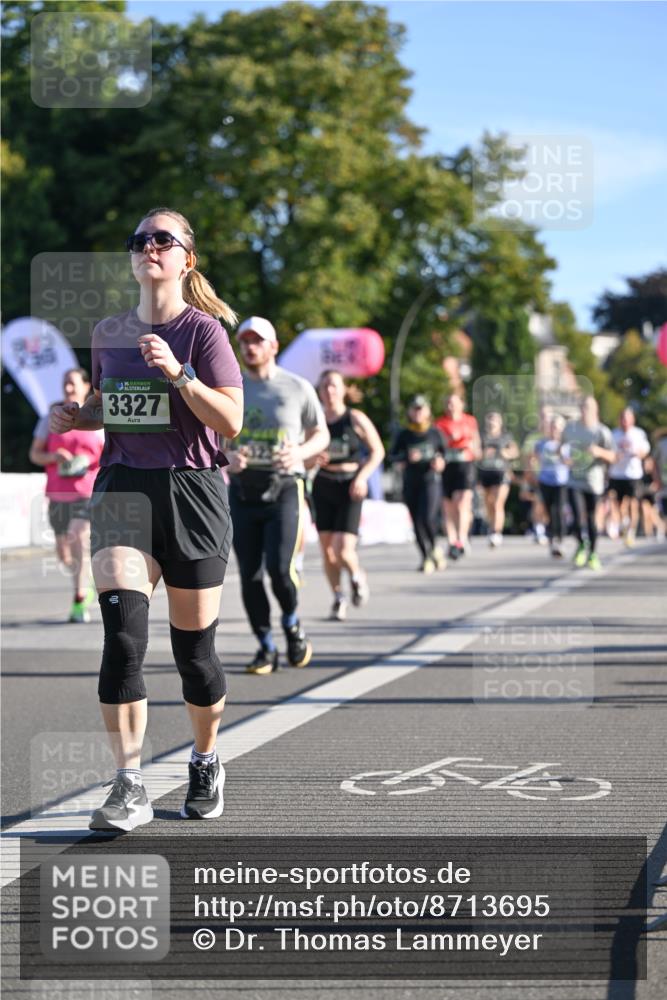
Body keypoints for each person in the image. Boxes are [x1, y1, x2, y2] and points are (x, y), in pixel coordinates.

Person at [49, 207, 244, 830]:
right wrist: (76, 417)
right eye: (139, 240)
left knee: (195, 654)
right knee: (124, 639)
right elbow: (107, 406)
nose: (148, 247)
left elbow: (231, 420)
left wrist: (179, 375)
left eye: (163, 239)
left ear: (187, 259)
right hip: (123, 489)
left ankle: (206, 759)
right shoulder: (108, 332)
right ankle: (128, 784)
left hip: (192, 492)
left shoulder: (204, 333)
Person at [226, 316, 330, 673]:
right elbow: (211, 438)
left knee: (279, 570)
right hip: (243, 489)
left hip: (285, 486)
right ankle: (266, 646)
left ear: (273, 347)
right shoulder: (232, 388)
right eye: (245, 341)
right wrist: (227, 457)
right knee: (250, 574)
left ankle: (291, 622)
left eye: (257, 341)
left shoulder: (297, 387)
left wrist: (299, 452)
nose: (250, 347)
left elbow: (321, 433)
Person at [29, 368, 104, 622]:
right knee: (64, 554)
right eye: (65, 383)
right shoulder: (49, 419)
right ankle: (85, 578)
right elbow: (34, 454)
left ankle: (79, 599)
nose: (68, 388)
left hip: (87, 492)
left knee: (78, 535)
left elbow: (112, 454)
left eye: (73, 383)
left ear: (86, 387)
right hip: (57, 495)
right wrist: (54, 456)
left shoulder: (98, 421)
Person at [311, 370, 385, 619]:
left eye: (334, 385)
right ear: (319, 392)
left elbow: (378, 451)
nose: (329, 391)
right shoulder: (316, 421)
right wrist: (313, 458)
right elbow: (305, 455)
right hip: (323, 484)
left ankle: (356, 575)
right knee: (327, 551)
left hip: (350, 486)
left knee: (342, 549)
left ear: (343, 389)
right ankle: (338, 597)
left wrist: (362, 477)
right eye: (324, 386)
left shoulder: (355, 418)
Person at [388, 395, 446, 573]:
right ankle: (425, 556)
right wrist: (406, 458)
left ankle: (434, 547)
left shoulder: (435, 433)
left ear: (428, 411)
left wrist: (440, 463)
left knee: (427, 517)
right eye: (415, 409)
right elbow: (392, 456)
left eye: (421, 409)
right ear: (409, 412)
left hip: (430, 480)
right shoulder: (404, 434)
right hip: (411, 482)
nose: (418, 413)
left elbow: (445, 455)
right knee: (416, 521)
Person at [562, 396, 616, 570]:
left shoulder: (602, 431)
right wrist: (564, 458)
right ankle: (581, 544)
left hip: (594, 482)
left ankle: (592, 553)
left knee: (592, 519)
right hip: (574, 480)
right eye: (583, 407)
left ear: (595, 410)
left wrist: (599, 452)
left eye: (588, 407)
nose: (585, 411)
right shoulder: (570, 428)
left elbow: (613, 456)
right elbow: (560, 448)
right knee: (577, 517)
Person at [435, 392, 480, 560]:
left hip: (465, 466)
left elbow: (476, 443)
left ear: (461, 405)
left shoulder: (469, 421)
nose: (450, 406)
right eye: (447, 403)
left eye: (453, 403)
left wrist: (472, 449)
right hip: (447, 467)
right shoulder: (439, 423)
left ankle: (462, 539)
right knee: (448, 506)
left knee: (462, 503)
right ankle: (451, 541)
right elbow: (437, 446)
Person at [608, 408, 650, 547]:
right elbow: (609, 453)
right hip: (617, 474)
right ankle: (623, 523)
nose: (624, 422)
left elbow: (645, 451)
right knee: (617, 503)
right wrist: (615, 457)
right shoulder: (614, 434)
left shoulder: (638, 433)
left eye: (627, 419)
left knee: (633, 503)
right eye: (622, 419)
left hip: (633, 474)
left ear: (632, 420)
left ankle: (631, 532)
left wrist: (638, 453)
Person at [477, 410, 518, 547]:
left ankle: (496, 532)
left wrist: (504, 453)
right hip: (485, 473)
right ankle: (491, 527)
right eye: (489, 420)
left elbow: (515, 452)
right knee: (488, 504)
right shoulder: (482, 437)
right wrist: (483, 454)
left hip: (501, 473)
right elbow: (475, 453)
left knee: (497, 503)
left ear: (500, 423)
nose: (492, 423)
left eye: (494, 420)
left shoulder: (506, 437)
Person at [533, 414, 569, 558]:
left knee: (558, 510)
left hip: (561, 482)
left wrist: (562, 455)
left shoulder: (566, 444)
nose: (555, 430)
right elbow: (534, 458)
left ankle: (560, 539)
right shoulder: (541, 443)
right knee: (548, 511)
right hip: (545, 481)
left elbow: (571, 462)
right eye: (553, 427)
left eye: (558, 427)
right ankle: (552, 538)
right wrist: (534, 470)